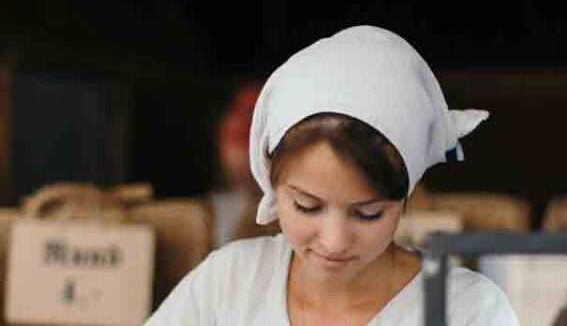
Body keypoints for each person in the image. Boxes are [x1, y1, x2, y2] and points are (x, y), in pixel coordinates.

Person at [145, 25, 519, 325]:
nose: (335, 241)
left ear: (405, 196)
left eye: (368, 213)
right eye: (306, 206)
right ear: (272, 184)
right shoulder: (229, 284)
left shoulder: (465, 310)